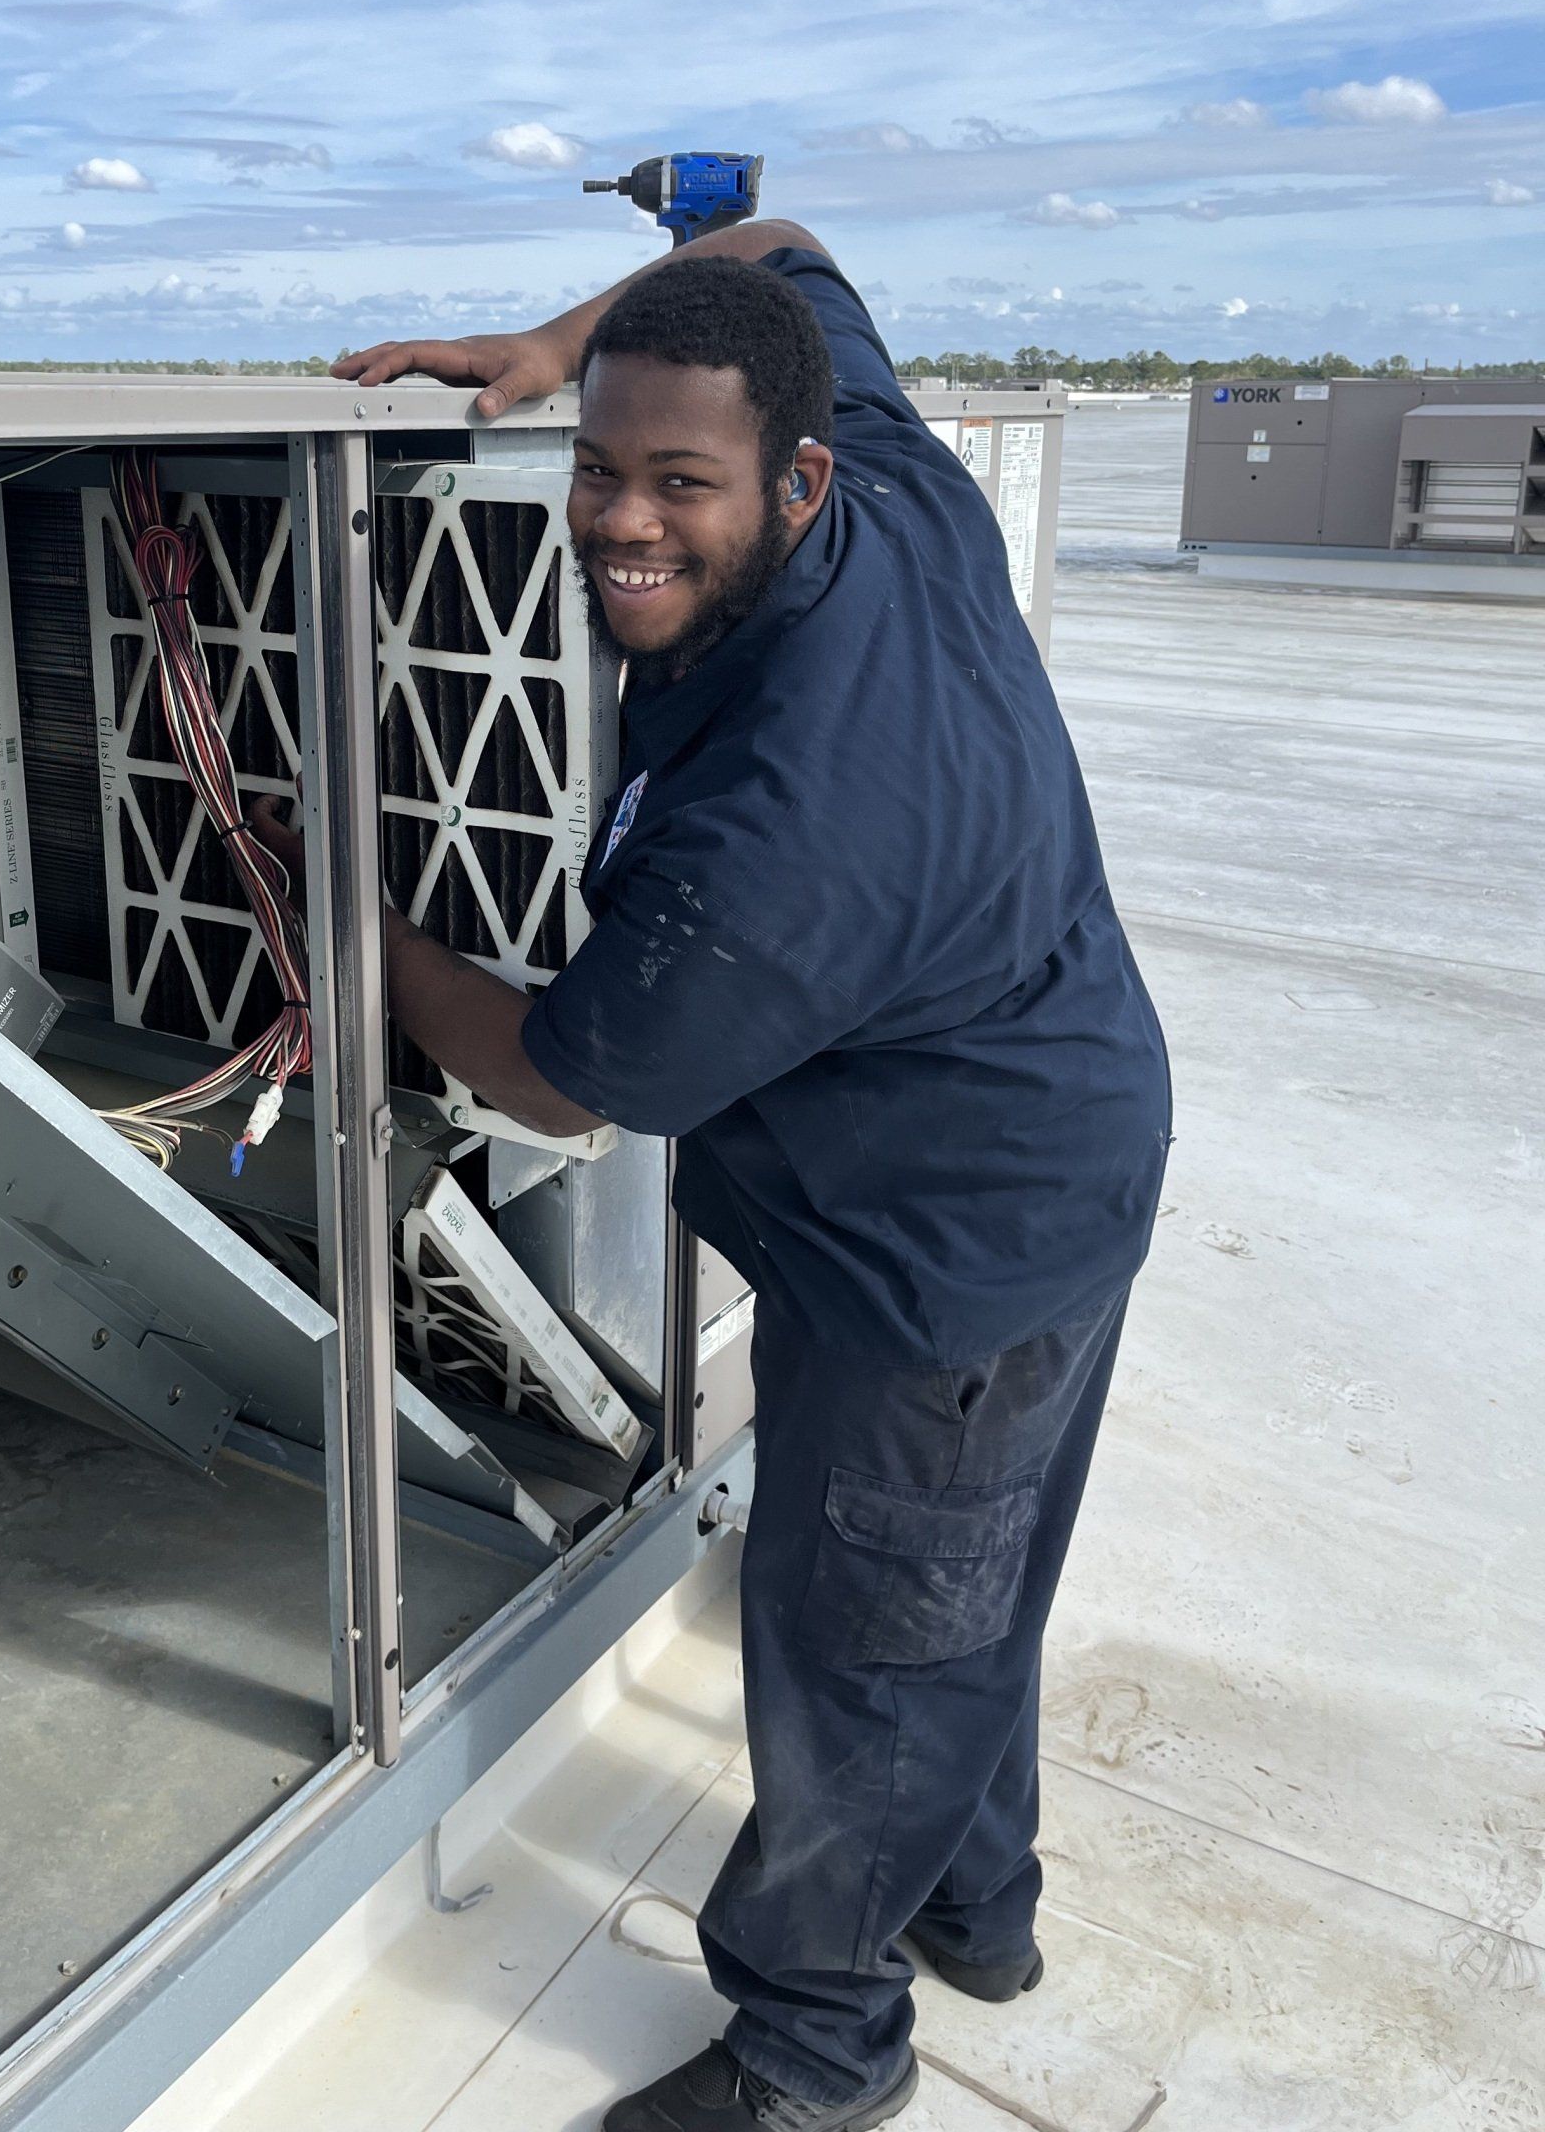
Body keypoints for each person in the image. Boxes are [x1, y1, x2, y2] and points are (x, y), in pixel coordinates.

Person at [297, 219, 1172, 2131]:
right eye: (600, 466)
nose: (622, 520)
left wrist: (367, 936)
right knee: (970, 1588)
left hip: (932, 1255)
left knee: (865, 1653)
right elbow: (775, 244)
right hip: (1066, 1140)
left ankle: (813, 2055)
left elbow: (553, 1076)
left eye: (677, 485)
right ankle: (980, 1907)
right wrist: (548, 339)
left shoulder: (791, 836)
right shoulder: (896, 488)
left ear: (793, 477)